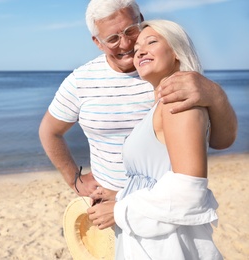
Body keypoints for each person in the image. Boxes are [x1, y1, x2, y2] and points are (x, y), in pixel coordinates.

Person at [39, 0, 236, 220]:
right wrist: (75, 180)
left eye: (130, 31)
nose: (125, 44)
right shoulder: (80, 81)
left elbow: (219, 143)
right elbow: (49, 131)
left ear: (140, 21)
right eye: (112, 38)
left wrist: (216, 96)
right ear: (97, 42)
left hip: (163, 211)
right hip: (107, 205)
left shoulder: (173, 80)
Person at [89, 19, 223, 259]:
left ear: (177, 53)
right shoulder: (160, 106)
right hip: (149, 240)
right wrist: (119, 195)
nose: (139, 50)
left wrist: (119, 211)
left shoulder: (177, 105)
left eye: (151, 42)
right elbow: (158, 178)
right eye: (137, 46)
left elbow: (189, 195)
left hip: (166, 246)